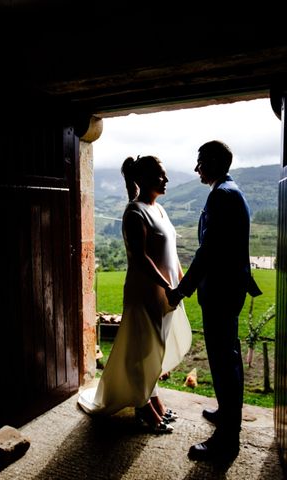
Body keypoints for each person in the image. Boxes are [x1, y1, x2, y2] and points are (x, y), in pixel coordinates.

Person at [78, 155, 191, 433]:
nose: (166, 180)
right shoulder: (134, 212)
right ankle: (144, 409)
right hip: (146, 292)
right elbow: (140, 258)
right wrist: (167, 284)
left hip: (167, 291)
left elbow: (171, 252)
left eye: (165, 175)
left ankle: (154, 403)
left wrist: (181, 281)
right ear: (143, 179)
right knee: (144, 351)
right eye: (160, 175)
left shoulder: (160, 209)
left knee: (155, 350)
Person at [167, 140, 260, 461]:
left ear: (216, 162)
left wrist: (181, 290)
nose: (196, 169)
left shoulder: (222, 195)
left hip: (220, 291)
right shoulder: (229, 191)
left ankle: (226, 442)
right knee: (228, 357)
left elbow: (209, 250)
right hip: (228, 290)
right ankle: (227, 414)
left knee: (223, 361)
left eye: (201, 162)